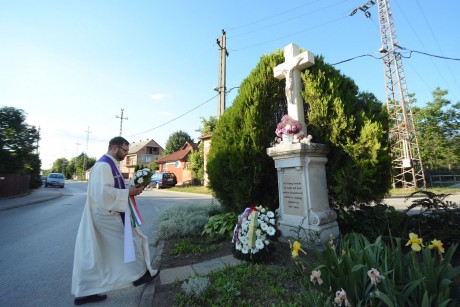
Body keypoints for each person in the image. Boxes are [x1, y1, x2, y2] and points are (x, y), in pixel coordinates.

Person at [71, 136, 160, 305]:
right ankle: (140, 276)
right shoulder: (104, 165)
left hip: (108, 214)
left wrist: (130, 189)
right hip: (106, 217)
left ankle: (85, 291)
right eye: (125, 150)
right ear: (115, 148)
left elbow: (112, 189)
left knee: (96, 255)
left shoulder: (110, 164)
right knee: (128, 245)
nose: (127, 154)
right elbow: (103, 194)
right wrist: (128, 193)